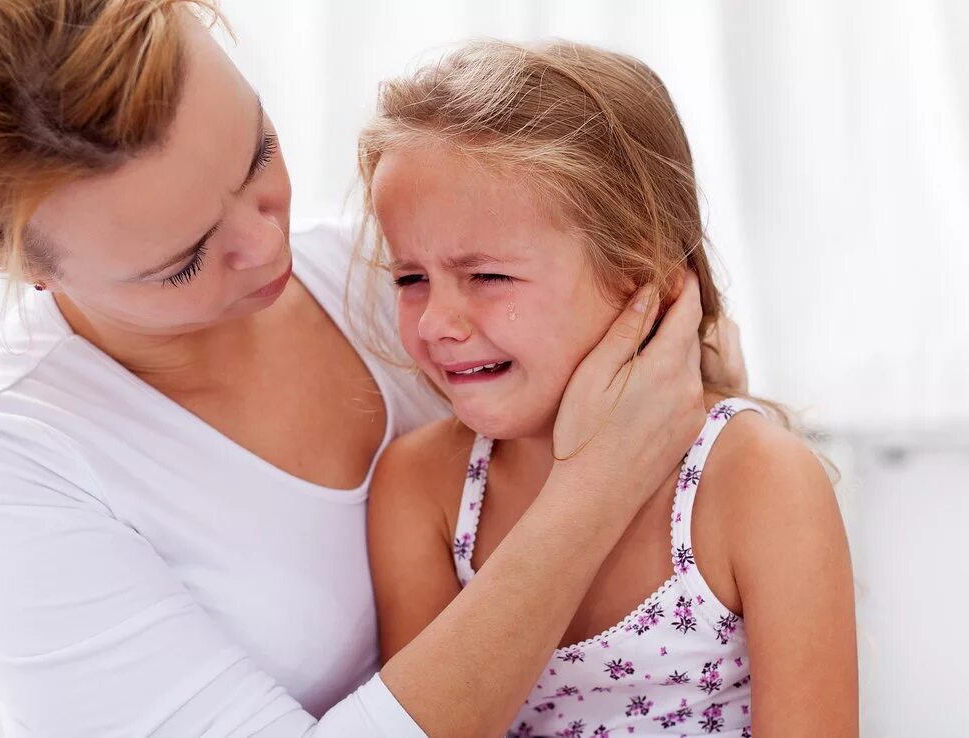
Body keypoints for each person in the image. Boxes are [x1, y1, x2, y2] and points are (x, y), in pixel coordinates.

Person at [0, 3, 739, 736]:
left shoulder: (401, 283)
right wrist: (598, 485)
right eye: (184, 258)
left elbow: (687, 432)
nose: (264, 241)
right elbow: (625, 453)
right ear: (25, 265)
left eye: (258, 153)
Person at [361, 40, 858, 737]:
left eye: (488, 277)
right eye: (411, 278)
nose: (438, 322)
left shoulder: (756, 480)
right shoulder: (423, 487)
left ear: (638, 280)